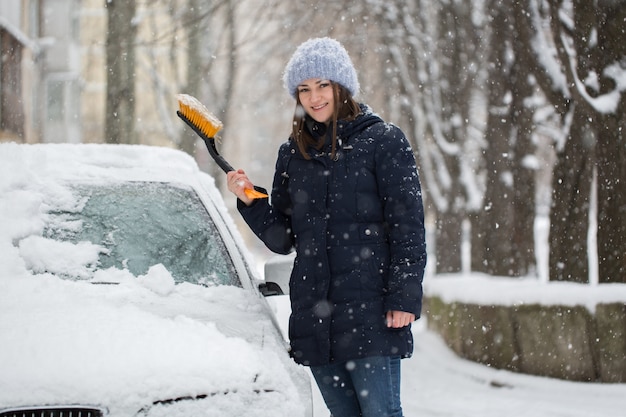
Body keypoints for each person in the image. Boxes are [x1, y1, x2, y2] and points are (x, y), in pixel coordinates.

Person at [226, 37, 426, 417]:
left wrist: (403, 298)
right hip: (316, 316)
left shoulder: (383, 141)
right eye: (304, 89)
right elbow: (283, 239)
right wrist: (251, 200)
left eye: (322, 86)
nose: (314, 97)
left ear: (342, 87)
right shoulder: (293, 153)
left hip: (371, 315)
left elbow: (408, 228)